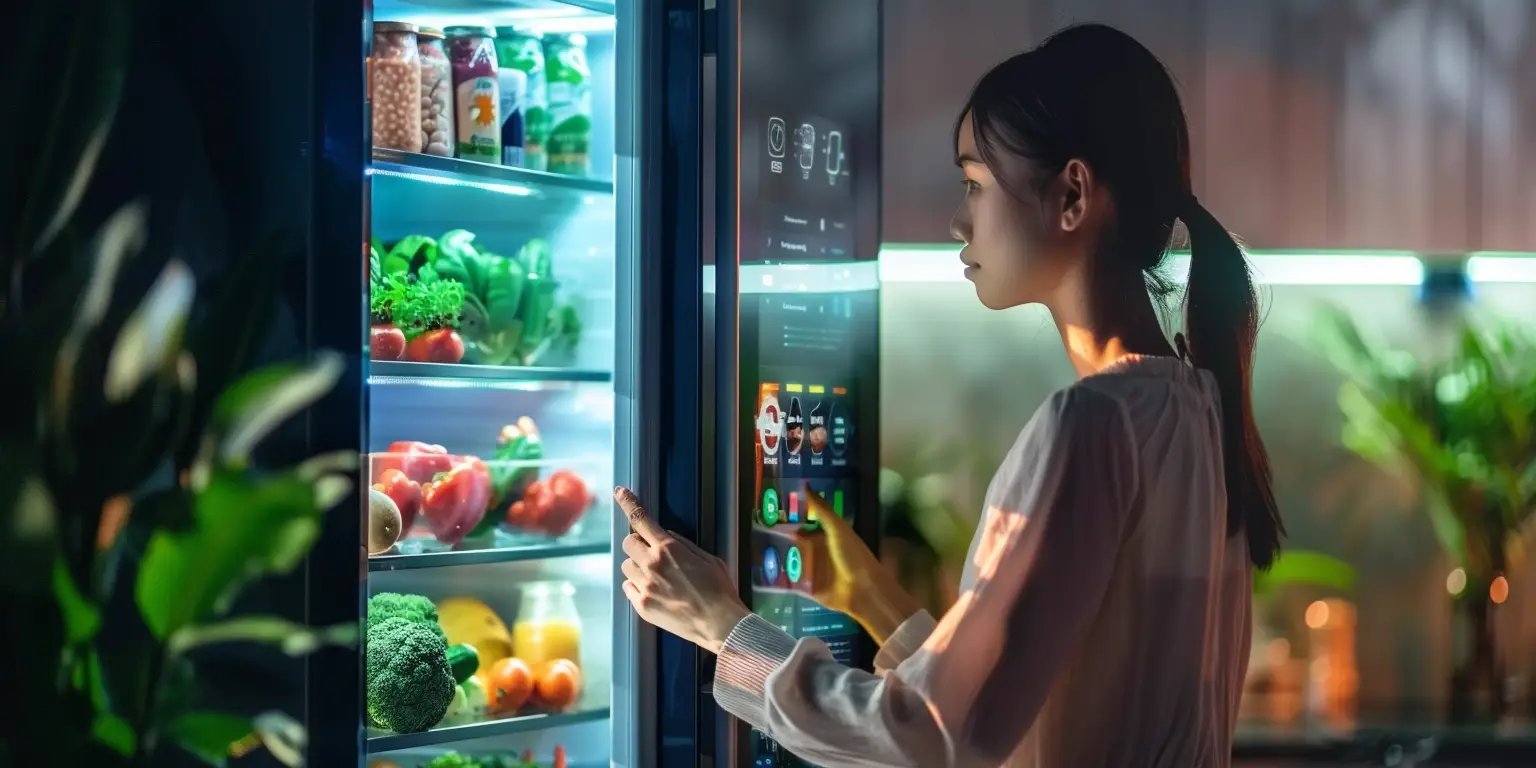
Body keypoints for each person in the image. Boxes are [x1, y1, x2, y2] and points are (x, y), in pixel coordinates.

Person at [614, 22, 1284, 768]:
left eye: (975, 182)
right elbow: (1014, 704)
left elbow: (932, 735)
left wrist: (722, 626)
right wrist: (871, 598)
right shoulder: (1193, 406)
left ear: (1071, 194)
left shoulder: (1091, 423)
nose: (959, 218)